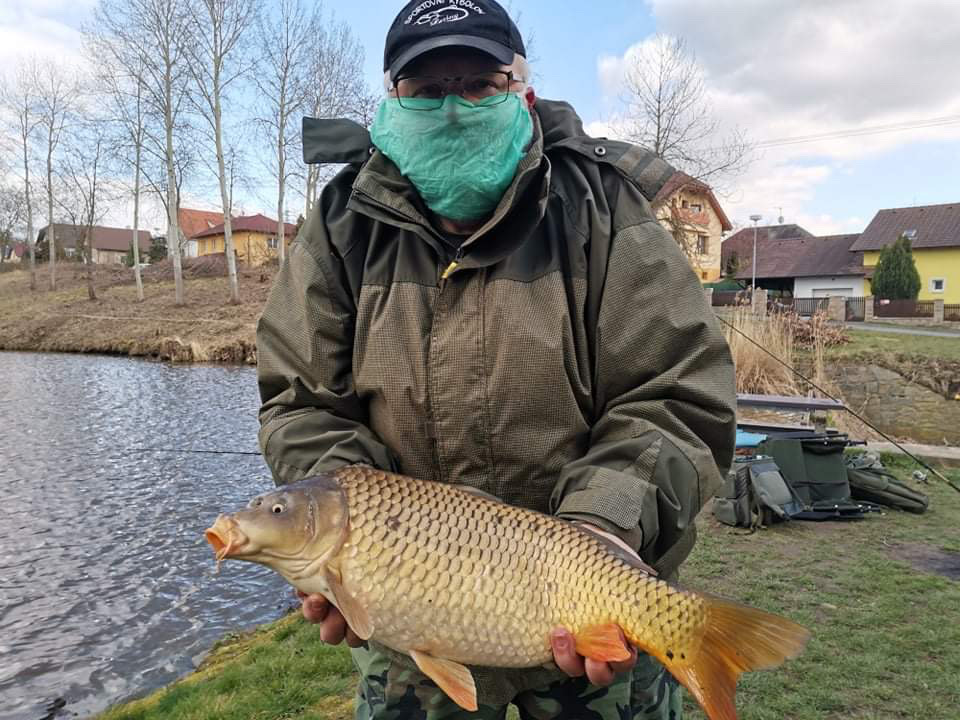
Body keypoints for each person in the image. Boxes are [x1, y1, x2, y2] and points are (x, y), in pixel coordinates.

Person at [256, 1, 736, 717]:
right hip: (411, 625)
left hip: (583, 597)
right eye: (427, 90)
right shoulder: (342, 222)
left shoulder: (604, 207)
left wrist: (604, 528)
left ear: (524, 94)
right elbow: (301, 402)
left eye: (480, 84)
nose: (453, 109)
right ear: (391, 104)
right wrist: (351, 548)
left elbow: (677, 391)